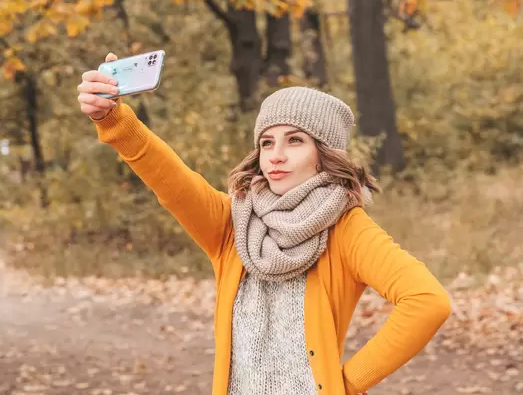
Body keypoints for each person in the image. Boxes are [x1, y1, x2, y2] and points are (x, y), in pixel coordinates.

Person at [78, 52, 452, 395]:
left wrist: (348, 383)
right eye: (267, 143)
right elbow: (168, 178)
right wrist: (111, 118)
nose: (277, 155)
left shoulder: (345, 228)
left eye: (295, 141)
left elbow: (427, 301)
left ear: (323, 155)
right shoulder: (232, 224)